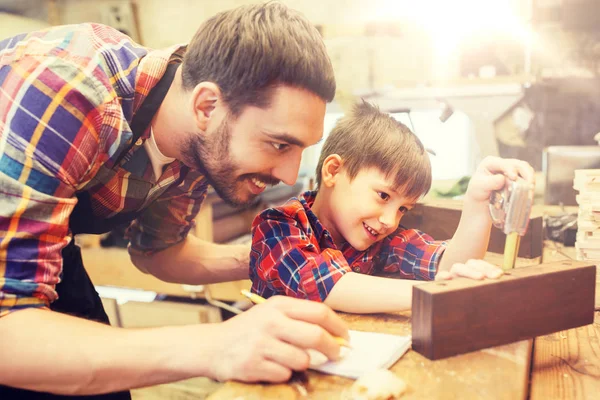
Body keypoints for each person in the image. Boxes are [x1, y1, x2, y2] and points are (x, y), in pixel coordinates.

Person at [0, 3, 350, 398]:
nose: (289, 174)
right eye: (279, 143)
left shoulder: (195, 140)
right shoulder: (67, 92)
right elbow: (7, 327)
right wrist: (216, 345)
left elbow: (159, 252)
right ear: (207, 106)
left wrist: (282, 256)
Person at [250, 101, 535, 313]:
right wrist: (438, 291)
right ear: (334, 171)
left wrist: (477, 201)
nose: (390, 220)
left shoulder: (379, 240)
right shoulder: (278, 228)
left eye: (403, 209)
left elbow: (450, 265)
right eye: (384, 196)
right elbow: (333, 286)